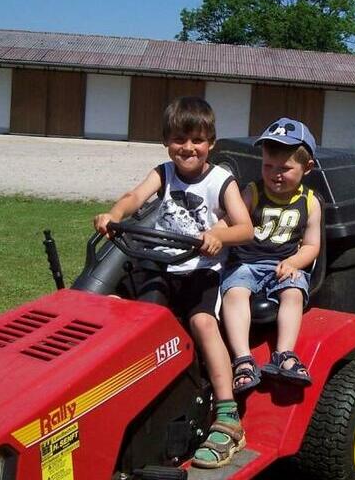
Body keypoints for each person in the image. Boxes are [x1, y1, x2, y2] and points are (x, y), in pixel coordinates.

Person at [93, 96, 253, 469]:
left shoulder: (221, 181)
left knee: (202, 322)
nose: (188, 148)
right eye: (179, 139)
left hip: (200, 268)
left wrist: (218, 235)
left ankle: (227, 413)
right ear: (167, 142)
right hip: (162, 263)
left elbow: (245, 227)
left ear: (211, 142)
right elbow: (135, 196)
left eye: (197, 140)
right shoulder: (163, 172)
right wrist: (114, 214)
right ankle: (125, 389)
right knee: (134, 315)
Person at [220, 117, 322, 395]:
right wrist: (214, 234)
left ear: (307, 167)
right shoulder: (252, 192)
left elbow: (312, 246)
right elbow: (230, 221)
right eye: (268, 166)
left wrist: (293, 263)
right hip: (246, 262)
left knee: (294, 292)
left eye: (285, 168)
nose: (275, 174)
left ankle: (284, 354)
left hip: (284, 264)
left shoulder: (310, 203)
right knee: (234, 292)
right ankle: (243, 358)